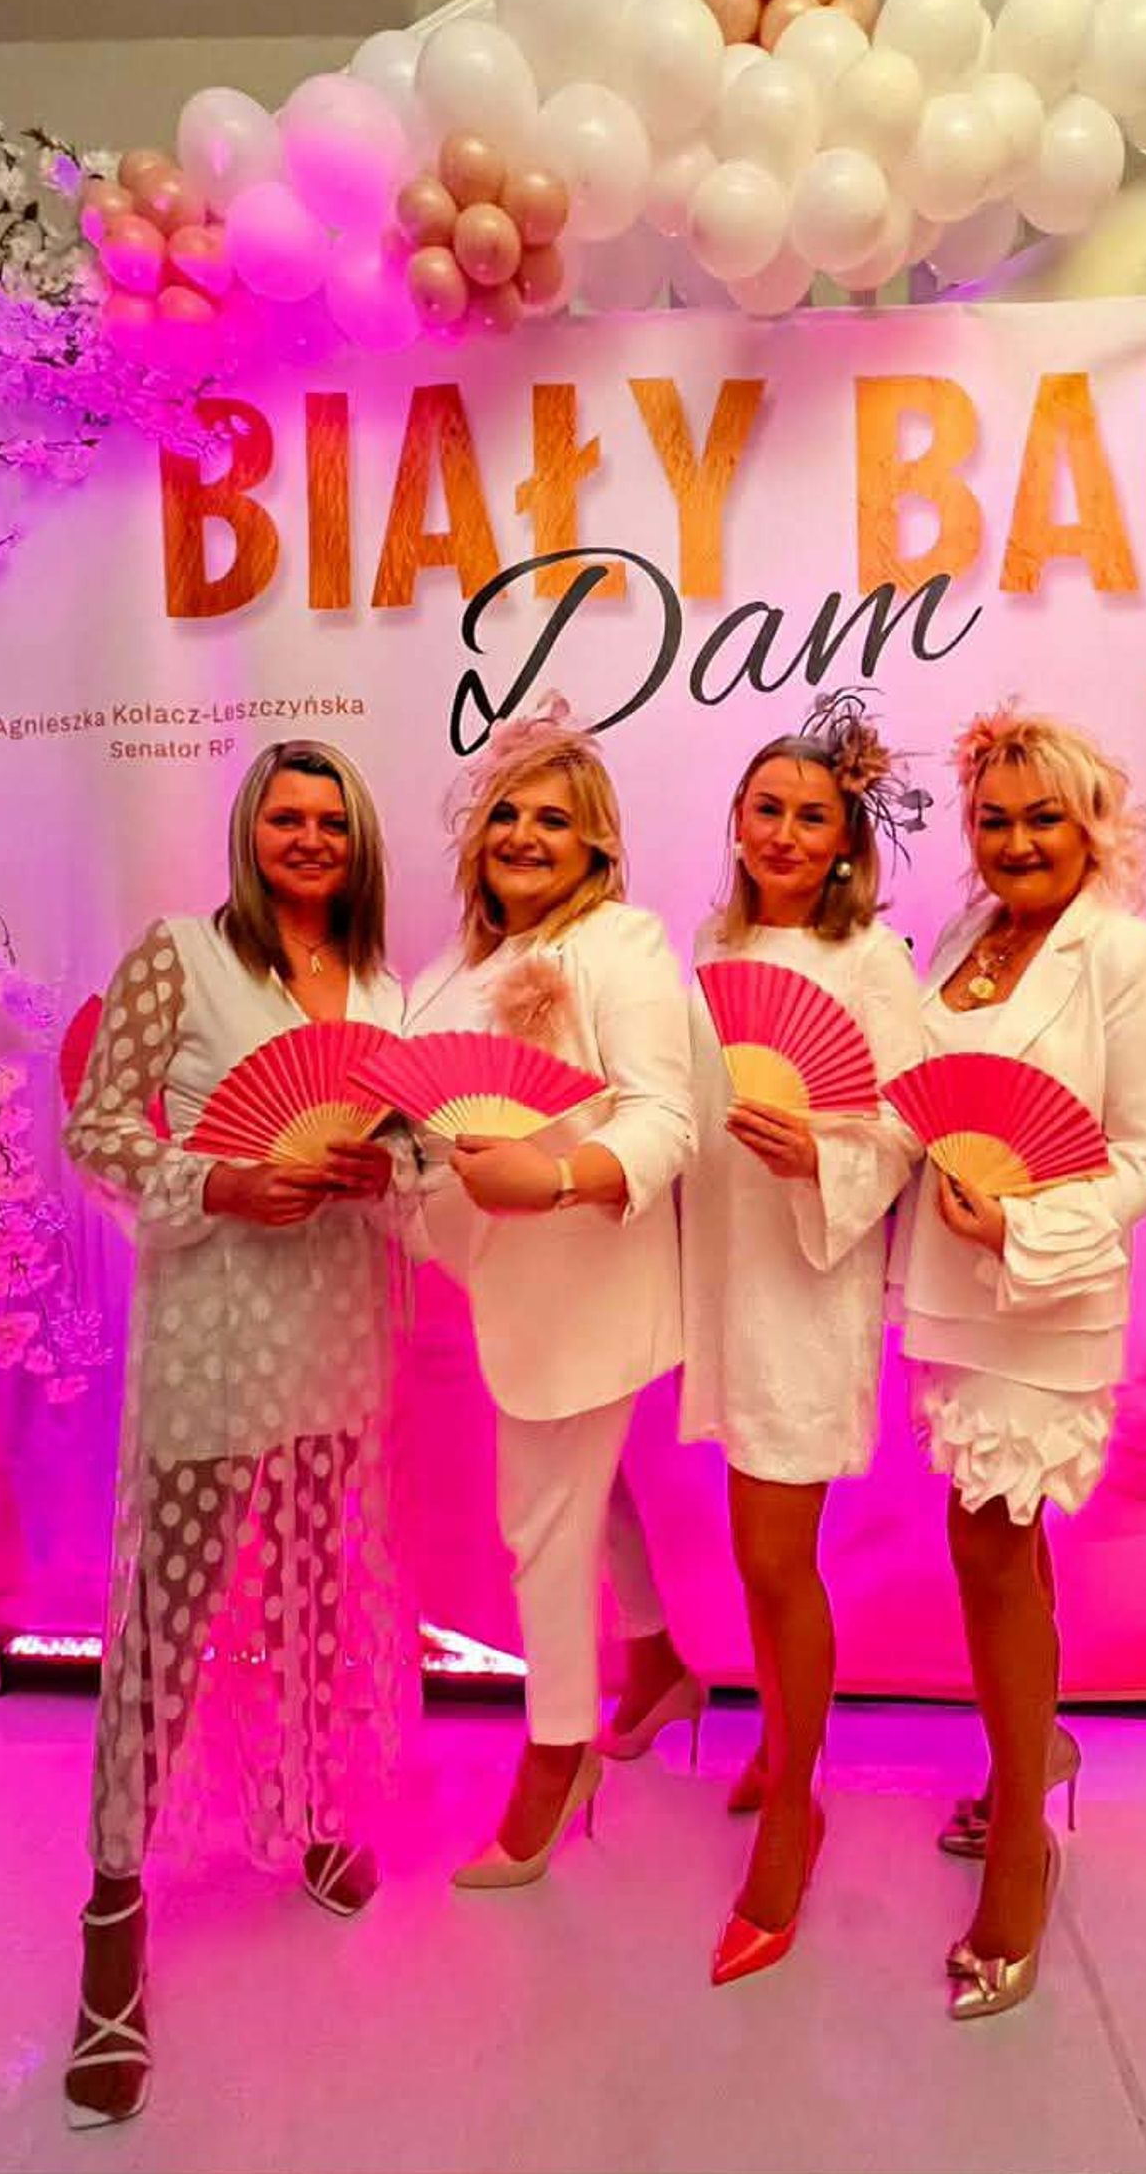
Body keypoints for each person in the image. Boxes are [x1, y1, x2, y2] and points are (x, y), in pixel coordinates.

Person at [61, 741, 405, 2127]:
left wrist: (381, 1168)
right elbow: (97, 1128)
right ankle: (112, 1908)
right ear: (249, 833)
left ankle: (316, 1813)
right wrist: (220, 1180)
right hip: (215, 1326)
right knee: (169, 1615)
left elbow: (406, 1150)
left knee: (320, 1594)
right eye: (286, 817)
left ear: (357, 839)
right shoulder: (180, 955)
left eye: (331, 820)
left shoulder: (379, 985)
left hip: (336, 1322)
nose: (309, 838)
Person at [892, 707, 1146, 2020]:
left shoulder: (1126, 954)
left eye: (1043, 819)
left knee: (989, 1547)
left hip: (1042, 1294)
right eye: (994, 819)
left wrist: (1023, 1223)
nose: (1016, 842)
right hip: (950, 1292)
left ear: (1092, 825)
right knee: (997, 1545)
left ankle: (1022, 1838)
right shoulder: (964, 939)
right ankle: (1037, 1750)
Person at [401, 698, 693, 1886]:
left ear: (597, 847)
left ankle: (556, 1749)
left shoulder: (622, 947)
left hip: (585, 1284)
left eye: (555, 820)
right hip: (491, 1283)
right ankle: (657, 1661)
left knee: (542, 1523)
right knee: (587, 1487)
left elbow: (665, 1120)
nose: (525, 835)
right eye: (507, 814)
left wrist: (560, 1176)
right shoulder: (454, 966)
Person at [680, 695, 924, 1984]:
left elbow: (906, 1127)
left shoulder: (872, 964)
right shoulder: (711, 949)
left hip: (808, 1280)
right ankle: (780, 1740)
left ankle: (796, 1801)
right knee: (751, 1552)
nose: (782, 831)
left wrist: (819, 1153)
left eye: (810, 817)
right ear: (737, 821)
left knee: (777, 1561)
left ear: (845, 845)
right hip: (730, 1274)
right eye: (766, 808)